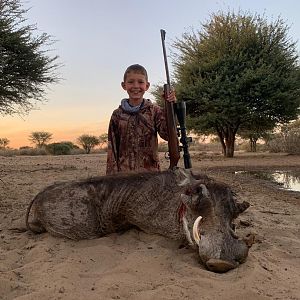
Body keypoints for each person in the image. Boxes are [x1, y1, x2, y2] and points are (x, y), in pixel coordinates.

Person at [106, 64, 176, 175]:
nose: (135, 86)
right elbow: (112, 148)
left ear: (147, 86)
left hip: (151, 177)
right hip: (123, 177)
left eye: (140, 82)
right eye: (130, 82)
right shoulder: (117, 115)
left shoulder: (155, 111)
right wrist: (111, 178)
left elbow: (168, 135)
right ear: (124, 85)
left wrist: (170, 107)